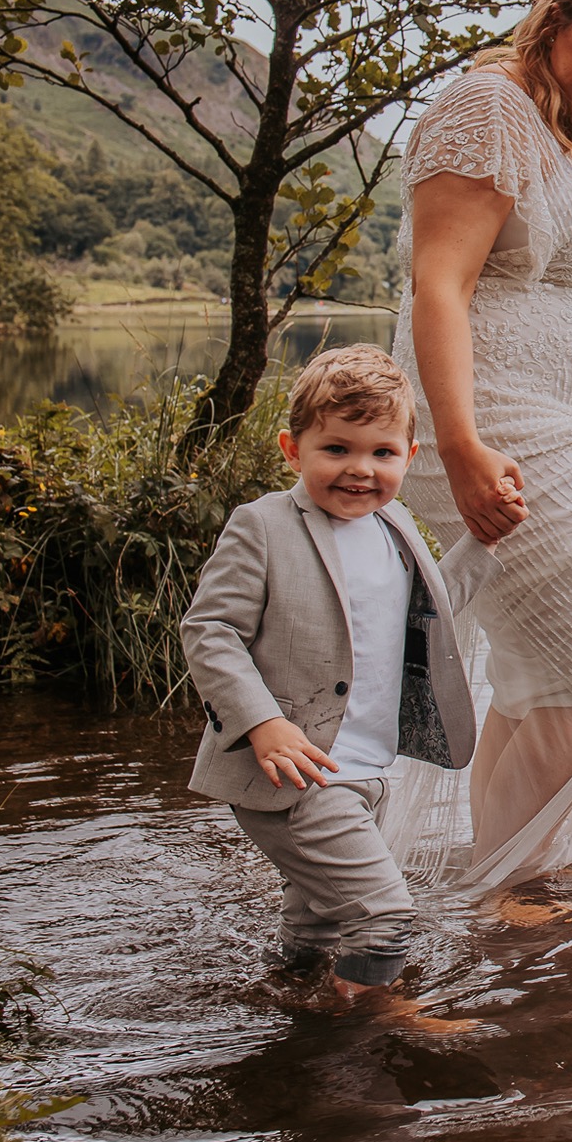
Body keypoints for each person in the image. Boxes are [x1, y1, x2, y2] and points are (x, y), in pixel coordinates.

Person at [389, 0, 572, 893]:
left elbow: (551, 282)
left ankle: (501, 880)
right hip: (494, 423)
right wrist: (461, 445)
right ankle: (506, 893)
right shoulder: (488, 108)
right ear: (553, 26)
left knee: (543, 680)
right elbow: (441, 283)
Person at [181, 345, 476, 1001]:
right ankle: (367, 1025)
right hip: (295, 775)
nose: (360, 470)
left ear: (409, 457)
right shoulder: (262, 527)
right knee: (384, 917)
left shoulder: (394, 525)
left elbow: (434, 610)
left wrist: (487, 539)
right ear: (292, 448)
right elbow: (209, 630)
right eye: (336, 449)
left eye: (381, 453)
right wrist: (262, 723)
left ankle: (292, 1002)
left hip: (368, 768)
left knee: (316, 921)